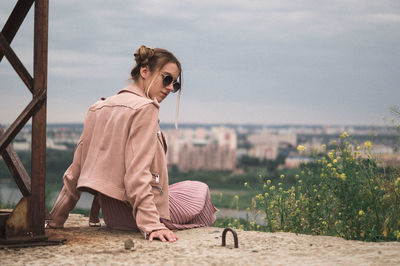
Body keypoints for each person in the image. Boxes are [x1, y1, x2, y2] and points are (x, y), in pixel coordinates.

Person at [47, 45, 217, 242]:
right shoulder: (146, 108)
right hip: (137, 215)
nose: (171, 88)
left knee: (187, 188)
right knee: (201, 191)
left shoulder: (98, 107)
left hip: (112, 215)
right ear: (145, 71)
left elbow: (74, 173)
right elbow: (137, 174)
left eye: (175, 84)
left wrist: (55, 220)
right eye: (167, 78)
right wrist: (152, 225)